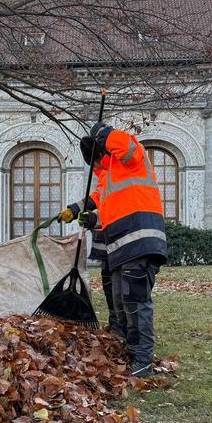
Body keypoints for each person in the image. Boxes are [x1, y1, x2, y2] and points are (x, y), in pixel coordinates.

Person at [61, 122, 167, 377]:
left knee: (135, 303)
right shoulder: (108, 178)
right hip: (121, 246)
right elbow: (109, 208)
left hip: (140, 239)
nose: (95, 167)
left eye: (96, 160)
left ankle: (142, 360)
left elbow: (128, 146)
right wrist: (88, 217)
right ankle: (127, 353)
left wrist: (104, 133)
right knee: (120, 303)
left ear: (103, 151)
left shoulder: (130, 161)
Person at [60, 161, 125, 338]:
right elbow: (98, 197)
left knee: (120, 287)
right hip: (106, 241)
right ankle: (115, 324)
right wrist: (73, 210)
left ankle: (123, 328)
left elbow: (117, 206)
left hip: (119, 241)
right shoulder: (104, 174)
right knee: (108, 282)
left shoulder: (119, 172)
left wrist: (94, 218)